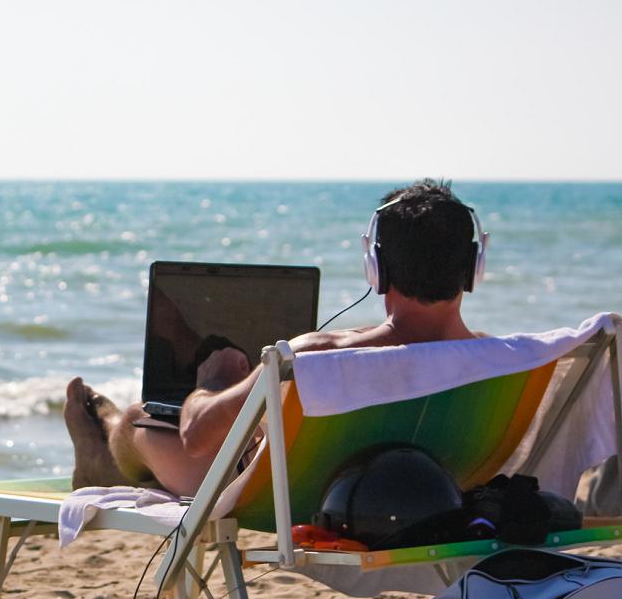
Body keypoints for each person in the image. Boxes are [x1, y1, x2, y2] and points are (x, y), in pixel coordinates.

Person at [63, 179, 484, 496]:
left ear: (377, 268)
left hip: (291, 501)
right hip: (433, 499)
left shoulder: (315, 355)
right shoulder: (502, 358)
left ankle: (102, 446)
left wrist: (212, 381)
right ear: (472, 268)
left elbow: (195, 435)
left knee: (141, 419)